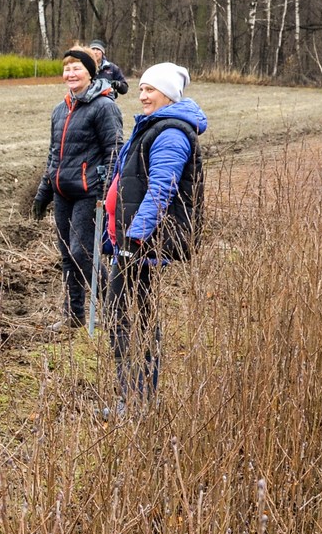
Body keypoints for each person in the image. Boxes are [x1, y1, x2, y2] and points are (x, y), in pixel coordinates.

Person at [100, 61, 206, 413]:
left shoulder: (171, 133)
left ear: (169, 94)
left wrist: (134, 238)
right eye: (141, 88)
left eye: (150, 89)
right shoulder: (155, 126)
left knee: (126, 316)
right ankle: (136, 396)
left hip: (143, 246)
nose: (142, 95)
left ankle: (135, 399)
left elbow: (161, 189)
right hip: (132, 243)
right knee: (133, 315)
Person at [32, 46, 122, 328]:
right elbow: (53, 154)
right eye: (67, 68)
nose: (70, 73)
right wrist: (43, 192)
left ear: (90, 72)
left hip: (89, 194)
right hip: (62, 193)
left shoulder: (104, 106)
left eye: (77, 68)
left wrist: (106, 191)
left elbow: (114, 150)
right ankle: (73, 316)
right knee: (67, 255)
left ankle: (115, 306)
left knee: (81, 252)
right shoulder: (60, 110)